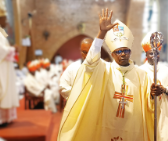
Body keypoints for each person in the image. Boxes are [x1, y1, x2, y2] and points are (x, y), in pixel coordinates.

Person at [57, 9, 152, 141]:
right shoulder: (104, 69)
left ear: (130, 52)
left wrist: (154, 95)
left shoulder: (142, 74)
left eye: (126, 50)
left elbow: (149, 104)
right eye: (119, 51)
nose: (123, 54)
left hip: (132, 126)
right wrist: (101, 34)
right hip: (105, 125)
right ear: (112, 54)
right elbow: (90, 62)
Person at [139, 32, 168, 141]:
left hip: (163, 111)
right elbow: (137, 93)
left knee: (163, 135)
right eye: (151, 53)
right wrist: (151, 94)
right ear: (146, 55)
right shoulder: (140, 71)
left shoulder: (166, 70)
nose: (155, 56)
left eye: (157, 53)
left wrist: (165, 90)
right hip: (147, 112)